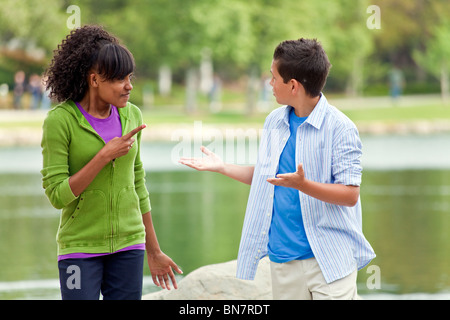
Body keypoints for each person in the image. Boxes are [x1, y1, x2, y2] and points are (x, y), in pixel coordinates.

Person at [179, 38, 375, 300]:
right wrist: (222, 167)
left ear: (293, 85)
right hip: (283, 262)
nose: (270, 84)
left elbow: (350, 194)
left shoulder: (341, 128)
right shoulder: (275, 122)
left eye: (273, 78)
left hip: (330, 260)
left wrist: (303, 185)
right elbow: (268, 177)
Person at [41, 25, 182, 300]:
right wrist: (103, 156)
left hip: (129, 246)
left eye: (130, 77)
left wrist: (153, 251)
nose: (129, 86)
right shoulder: (60, 121)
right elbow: (57, 195)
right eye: (120, 79)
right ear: (94, 80)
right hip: (79, 249)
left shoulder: (132, 116)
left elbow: (138, 185)